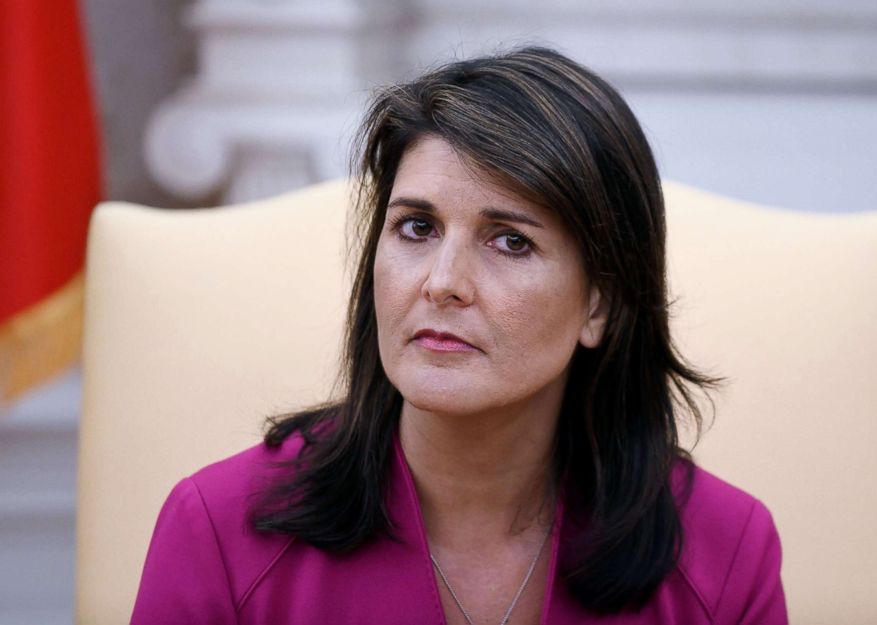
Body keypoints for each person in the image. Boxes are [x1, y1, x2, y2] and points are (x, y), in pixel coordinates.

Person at [131, 46, 787, 625]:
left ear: (601, 303)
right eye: (417, 227)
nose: (442, 282)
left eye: (510, 241)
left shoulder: (724, 552)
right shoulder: (218, 529)